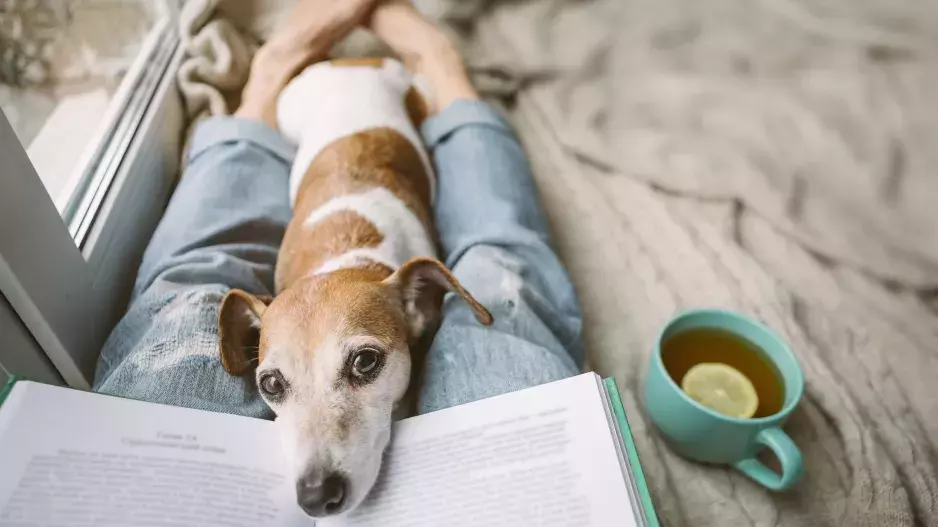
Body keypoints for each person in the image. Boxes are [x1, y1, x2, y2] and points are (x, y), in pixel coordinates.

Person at [93, 0, 583, 420]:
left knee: (192, 285)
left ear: (421, 306)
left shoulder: (401, 297)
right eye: (274, 384)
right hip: (329, 108)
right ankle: (434, 73)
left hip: (382, 95)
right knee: (500, 265)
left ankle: (416, 64)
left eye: (364, 363)